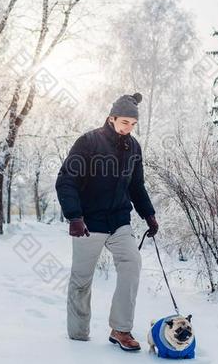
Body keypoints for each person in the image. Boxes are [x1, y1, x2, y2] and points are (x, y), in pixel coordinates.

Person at [55, 92, 159, 351]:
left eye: (133, 124)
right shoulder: (88, 142)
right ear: (111, 118)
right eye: (125, 122)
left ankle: (121, 329)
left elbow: (136, 185)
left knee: (132, 263)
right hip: (89, 223)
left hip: (119, 221)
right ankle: (78, 336)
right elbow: (66, 179)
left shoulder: (134, 147)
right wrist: (74, 217)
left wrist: (149, 214)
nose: (129, 128)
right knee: (81, 279)